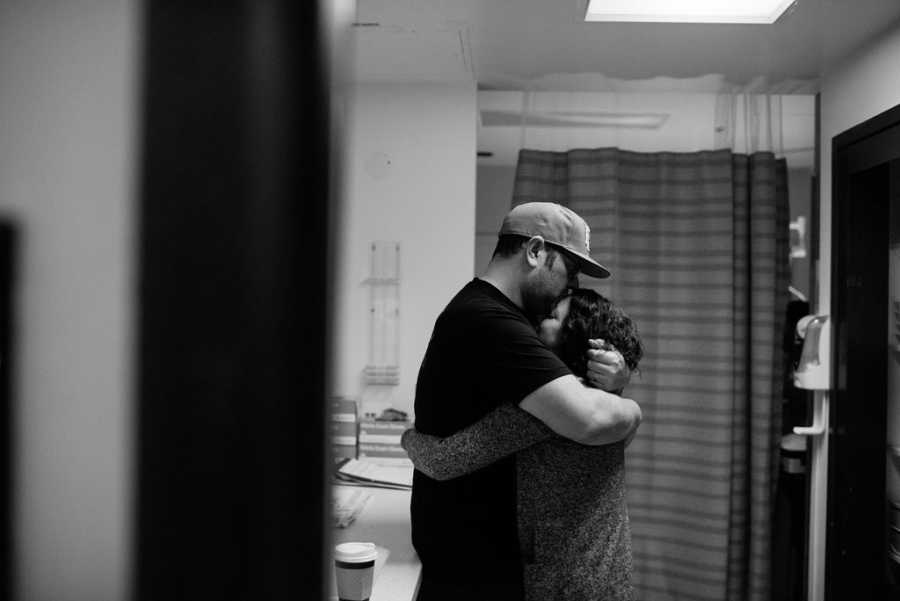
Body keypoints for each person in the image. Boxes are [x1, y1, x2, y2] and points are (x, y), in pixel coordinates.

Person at [410, 202, 641, 601]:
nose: (569, 286)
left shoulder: (485, 313)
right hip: (477, 571)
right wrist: (629, 406)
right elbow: (589, 419)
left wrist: (410, 441)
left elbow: (446, 458)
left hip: (543, 575)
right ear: (534, 251)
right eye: (568, 271)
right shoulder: (492, 322)